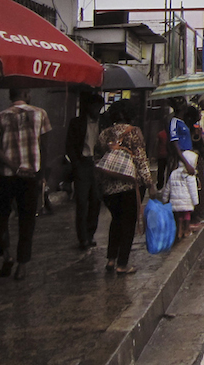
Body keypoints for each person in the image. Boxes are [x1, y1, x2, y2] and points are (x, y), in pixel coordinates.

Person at [0, 88, 52, 281]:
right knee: (27, 220)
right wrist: (40, 173)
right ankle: (22, 265)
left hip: (5, 175)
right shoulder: (41, 114)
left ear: (10, 96)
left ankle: (7, 254)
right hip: (31, 176)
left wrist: (13, 166)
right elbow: (44, 146)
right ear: (27, 94)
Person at [95, 100, 152, 274]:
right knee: (128, 224)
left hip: (109, 187)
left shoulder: (105, 134)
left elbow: (98, 156)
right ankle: (122, 263)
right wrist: (150, 183)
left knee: (116, 221)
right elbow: (141, 160)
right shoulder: (134, 133)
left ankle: (111, 259)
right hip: (130, 186)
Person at [65, 90, 103, 250]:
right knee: (81, 202)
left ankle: (90, 233)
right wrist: (76, 163)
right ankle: (83, 238)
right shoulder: (77, 123)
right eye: (95, 107)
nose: (97, 110)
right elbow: (69, 145)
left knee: (96, 200)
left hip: (98, 165)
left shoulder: (104, 123)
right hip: (82, 164)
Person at [167, 149, 199, 240]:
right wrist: (195, 202)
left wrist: (165, 198)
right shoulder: (190, 175)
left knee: (180, 216)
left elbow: (168, 187)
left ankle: (180, 231)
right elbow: (193, 190)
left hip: (175, 201)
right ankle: (187, 230)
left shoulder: (173, 173)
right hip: (187, 201)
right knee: (186, 215)